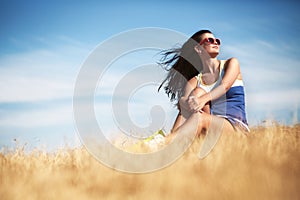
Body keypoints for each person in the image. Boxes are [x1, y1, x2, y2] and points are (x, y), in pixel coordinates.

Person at [158, 29, 250, 139]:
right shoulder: (195, 80)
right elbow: (183, 105)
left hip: (235, 127)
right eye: (210, 40)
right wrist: (186, 101)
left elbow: (225, 86)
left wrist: (202, 100)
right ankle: (171, 136)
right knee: (197, 92)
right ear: (198, 48)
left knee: (199, 107)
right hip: (209, 128)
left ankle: (165, 142)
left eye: (217, 41)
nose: (215, 42)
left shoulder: (230, 64)